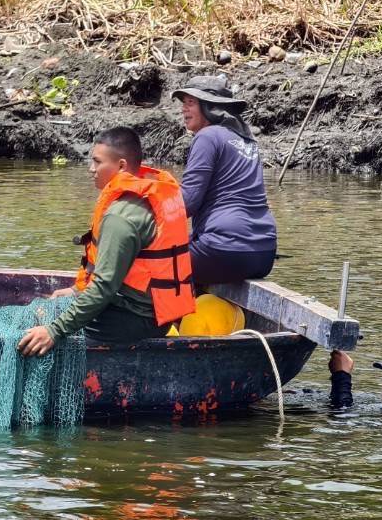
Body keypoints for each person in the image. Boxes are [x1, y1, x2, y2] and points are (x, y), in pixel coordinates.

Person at [19, 126, 196, 355]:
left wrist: (54, 331)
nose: (91, 169)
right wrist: (76, 290)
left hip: (134, 321)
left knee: (38, 321)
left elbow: (104, 287)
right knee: (52, 308)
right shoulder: (148, 197)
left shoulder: (120, 216)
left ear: (121, 166)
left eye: (97, 162)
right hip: (158, 316)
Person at [171, 73, 278, 285]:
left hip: (223, 250)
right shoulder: (247, 139)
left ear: (210, 106)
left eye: (191, 103)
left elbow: (187, 203)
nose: (183, 108)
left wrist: (144, 218)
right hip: (264, 252)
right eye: (183, 103)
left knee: (151, 265)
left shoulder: (207, 136)